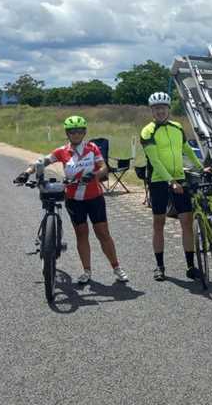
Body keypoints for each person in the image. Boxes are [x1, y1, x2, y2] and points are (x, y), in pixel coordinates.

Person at [14, 115, 128, 285]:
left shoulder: (92, 148)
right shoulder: (62, 151)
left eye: (79, 131)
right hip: (74, 199)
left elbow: (104, 168)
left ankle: (116, 267)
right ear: (67, 133)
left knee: (102, 233)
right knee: (81, 235)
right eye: (72, 132)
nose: (76, 135)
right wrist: (26, 172)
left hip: (94, 198)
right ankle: (87, 271)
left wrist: (94, 175)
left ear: (84, 133)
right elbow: (42, 161)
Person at [140, 92, 208, 281]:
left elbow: (186, 150)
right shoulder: (147, 132)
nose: (160, 111)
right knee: (159, 224)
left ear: (168, 109)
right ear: (151, 110)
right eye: (156, 108)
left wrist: (201, 167)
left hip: (179, 178)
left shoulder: (177, 128)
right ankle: (160, 266)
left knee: (186, 222)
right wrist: (170, 181)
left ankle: (190, 266)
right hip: (159, 181)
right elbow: (155, 161)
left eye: (163, 108)